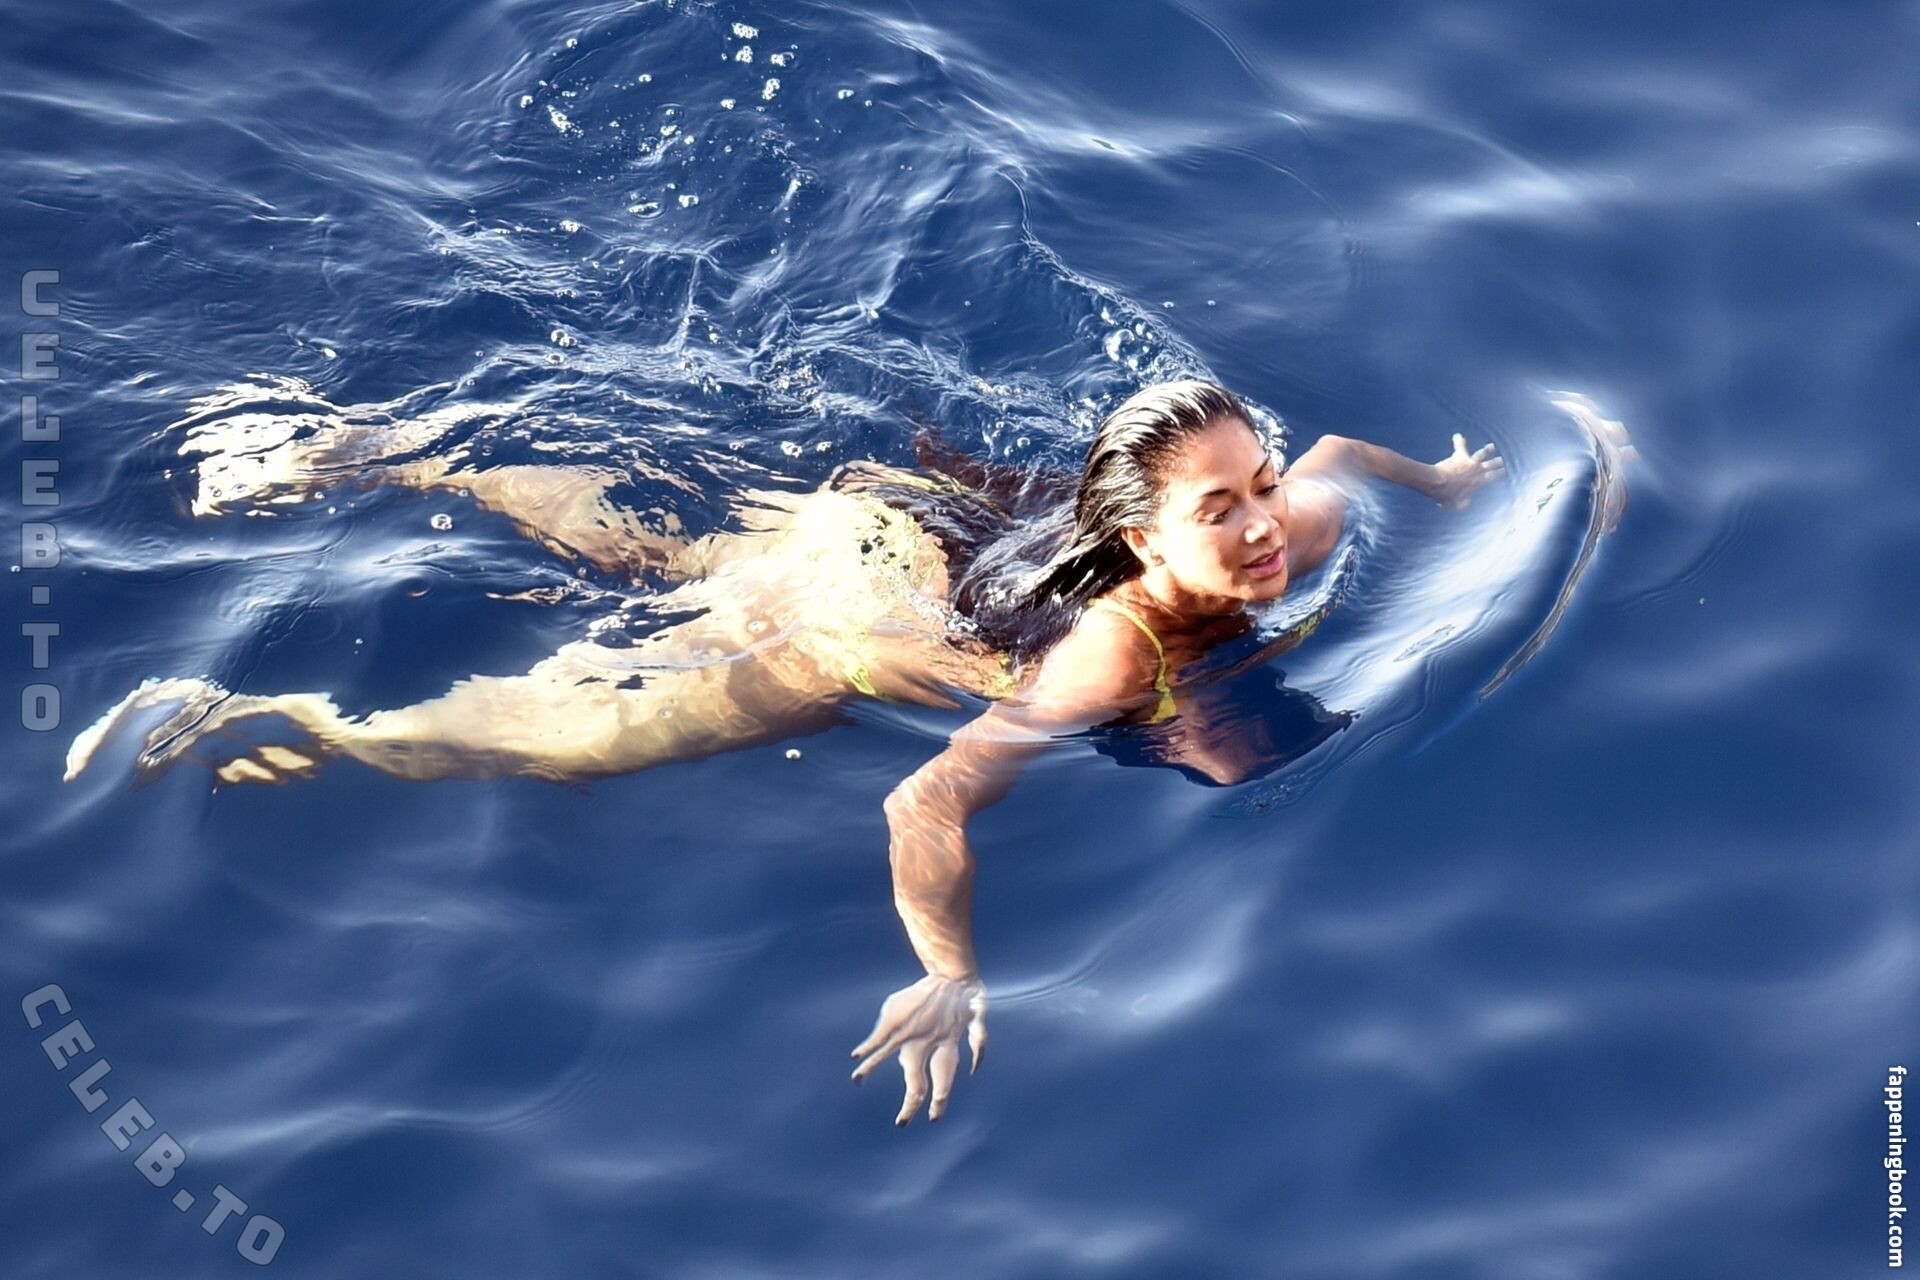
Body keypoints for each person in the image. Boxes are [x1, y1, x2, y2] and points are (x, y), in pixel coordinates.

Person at [65, 379, 1504, 1124]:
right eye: (1219, 510)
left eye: (1259, 489)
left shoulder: (1289, 518)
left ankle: (376, 450)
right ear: (1136, 536)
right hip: (857, 616)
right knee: (586, 735)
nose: (1261, 525)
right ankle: (281, 721)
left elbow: (1337, 455)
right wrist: (949, 971)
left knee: (664, 549)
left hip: (886, 526)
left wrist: (1443, 480)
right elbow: (925, 793)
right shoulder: (1111, 657)